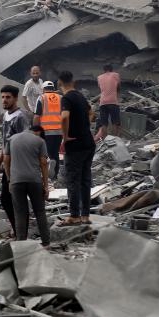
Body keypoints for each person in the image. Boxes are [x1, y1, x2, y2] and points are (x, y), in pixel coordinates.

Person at [59, 71, 95, 226]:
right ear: (73, 81)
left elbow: (64, 116)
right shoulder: (80, 96)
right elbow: (91, 112)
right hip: (88, 143)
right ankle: (85, 215)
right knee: (85, 180)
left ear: (59, 82)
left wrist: (65, 136)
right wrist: (83, 125)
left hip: (75, 146)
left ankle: (74, 216)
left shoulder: (66, 98)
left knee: (73, 180)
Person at [6, 125, 51, 246]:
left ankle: (21, 243)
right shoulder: (40, 141)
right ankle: (46, 242)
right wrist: (45, 185)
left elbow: (6, 160)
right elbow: (43, 163)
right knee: (40, 211)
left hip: (16, 181)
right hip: (34, 180)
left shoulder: (11, 139)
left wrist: (10, 179)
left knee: (20, 212)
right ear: (36, 132)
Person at [0, 85, 27, 236]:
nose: (4, 100)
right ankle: (17, 228)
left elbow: (24, 142)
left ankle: (21, 231)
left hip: (18, 165)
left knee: (15, 198)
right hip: (8, 163)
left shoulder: (20, 117)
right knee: (7, 199)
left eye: (8, 97)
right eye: (2, 97)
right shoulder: (6, 115)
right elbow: (5, 143)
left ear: (15, 98)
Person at [34, 81, 63, 180]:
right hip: (59, 131)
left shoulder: (41, 98)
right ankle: (55, 175)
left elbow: (37, 116)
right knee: (55, 152)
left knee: (44, 153)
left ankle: (47, 174)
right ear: (53, 88)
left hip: (46, 131)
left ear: (43, 89)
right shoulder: (60, 98)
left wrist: (35, 130)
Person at [96, 64, 121, 139]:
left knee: (104, 123)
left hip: (102, 102)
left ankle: (104, 140)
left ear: (104, 70)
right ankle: (115, 139)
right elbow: (118, 87)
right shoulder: (116, 75)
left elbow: (100, 88)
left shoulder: (99, 77)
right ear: (112, 69)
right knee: (115, 122)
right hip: (113, 101)